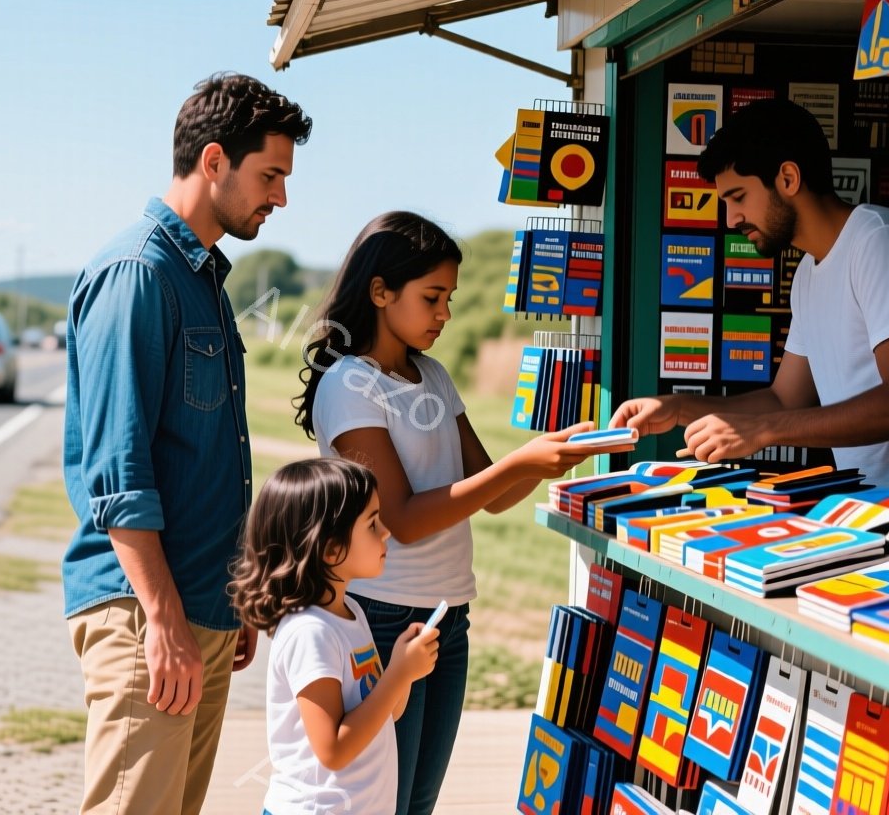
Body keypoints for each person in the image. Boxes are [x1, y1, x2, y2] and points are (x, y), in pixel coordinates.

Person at [294, 211, 628, 814]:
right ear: (380, 292)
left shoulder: (433, 376)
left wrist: (550, 460)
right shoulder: (349, 385)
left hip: (449, 616)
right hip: (385, 620)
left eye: (448, 297)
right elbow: (402, 518)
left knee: (418, 803)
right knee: (382, 803)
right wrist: (520, 462)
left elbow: (491, 493)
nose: (445, 313)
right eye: (432, 297)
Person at [62, 72, 312, 815]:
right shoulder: (138, 273)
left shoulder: (200, 275)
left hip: (197, 609)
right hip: (145, 616)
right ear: (213, 162)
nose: (281, 198)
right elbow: (119, 475)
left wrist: (226, 602)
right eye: (269, 175)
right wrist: (167, 619)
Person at [611, 97, 889, 498]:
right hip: (877, 506)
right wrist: (677, 408)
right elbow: (784, 399)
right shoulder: (807, 273)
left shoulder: (881, 241)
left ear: (787, 178)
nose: (731, 219)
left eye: (738, 197)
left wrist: (763, 431)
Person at [230, 458, 440, 815]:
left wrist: (404, 671)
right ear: (330, 549)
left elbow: (387, 711)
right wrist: (399, 674)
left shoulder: (351, 614)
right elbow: (333, 750)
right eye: (372, 523)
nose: (386, 532)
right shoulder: (310, 633)